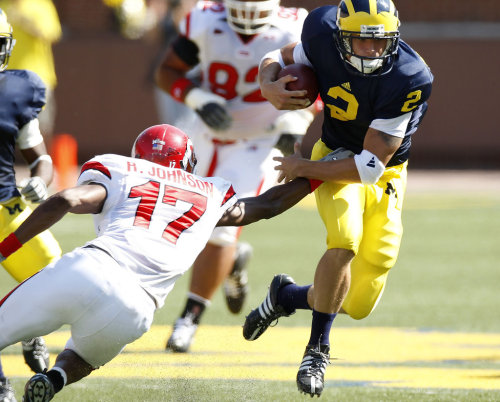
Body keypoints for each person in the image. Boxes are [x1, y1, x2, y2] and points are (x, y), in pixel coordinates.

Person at [0, 124, 313, 402]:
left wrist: (7, 247)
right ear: (188, 162)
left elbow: (67, 200)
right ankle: (55, 379)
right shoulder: (209, 192)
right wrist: (320, 175)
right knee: (82, 357)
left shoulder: (121, 170)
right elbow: (269, 203)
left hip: (90, 269)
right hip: (136, 308)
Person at [242, 0, 433, 397]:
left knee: (359, 303)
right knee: (344, 242)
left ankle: (286, 296)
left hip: (382, 170)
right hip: (333, 152)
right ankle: (317, 350)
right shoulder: (321, 31)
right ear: (341, 36)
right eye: (361, 42)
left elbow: (368, 167)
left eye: (380, 43)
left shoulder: (410, 76)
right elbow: (276, 55)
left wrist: (302, 168)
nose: (372, 51)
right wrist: (268, 83)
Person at [155, 0, 319, 353]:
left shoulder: (294, 28)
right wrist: (197, 97)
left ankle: (189, 318)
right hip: (206, 133)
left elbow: (315, 88)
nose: (246, 20)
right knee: (176, 220)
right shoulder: (203, 18)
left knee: (223, 225)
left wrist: (294, 124)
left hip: (261, 140)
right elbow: (167, 71)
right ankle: (232, 261)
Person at [0, 8, 62, 402]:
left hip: (4, 212)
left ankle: (29, 329)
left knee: (48, 273)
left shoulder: (15, 90)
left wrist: (40, 179)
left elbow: (39, 155)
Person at [0, 0, 62, 142]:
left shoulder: (41, 5)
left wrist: (25, 21)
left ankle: (42, 162)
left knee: (41, 126)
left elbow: (52, 34)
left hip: (37, 76)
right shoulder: (2, 7)